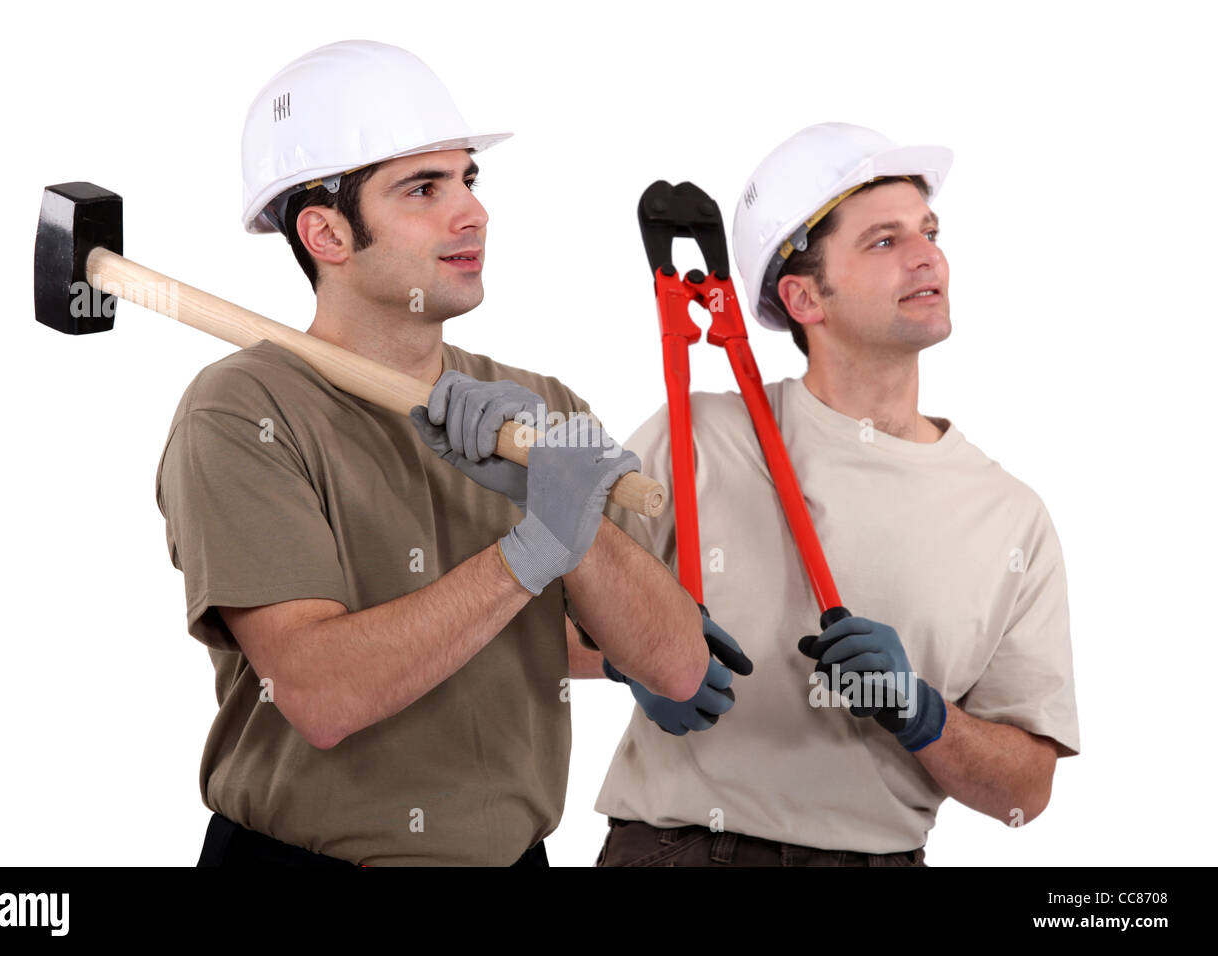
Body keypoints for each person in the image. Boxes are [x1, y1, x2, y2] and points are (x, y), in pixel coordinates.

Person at [155, 39, 712, 868]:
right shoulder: (245, 411)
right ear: (326, 232)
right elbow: (321, 692)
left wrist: (572, 523)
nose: (471, 213)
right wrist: (529, 554)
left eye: (468, 179)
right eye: (423, 188)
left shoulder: (541, 409)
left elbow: (677, 666)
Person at [594, 122, 1080, 866]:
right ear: (803, 297)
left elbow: (1026, 793)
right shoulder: (696, 436)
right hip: (672, 849)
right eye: (884, 241)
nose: (928, 257)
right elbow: (544, 627)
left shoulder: (1010, 517)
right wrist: (635, 660)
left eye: (929, 231)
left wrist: (924, 715)